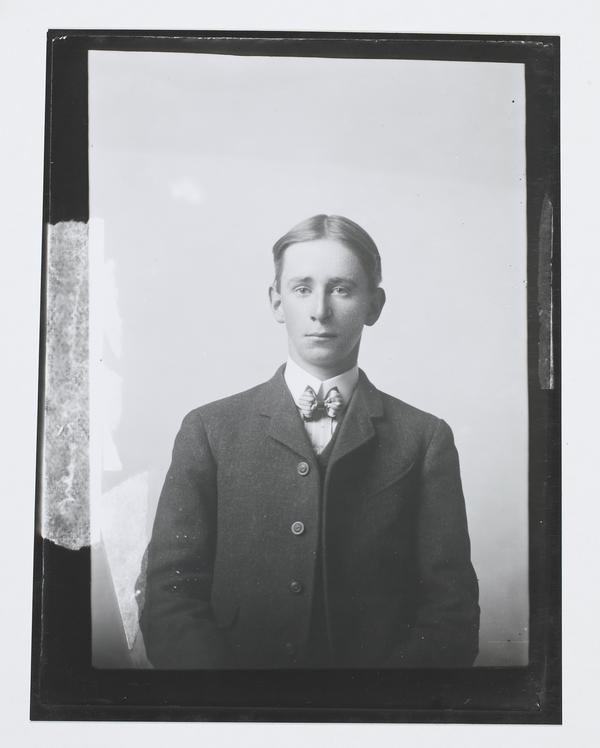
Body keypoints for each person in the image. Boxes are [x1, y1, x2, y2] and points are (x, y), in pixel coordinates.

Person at [139, 214, 479, 669]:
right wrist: (227, 700)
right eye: (302, 288)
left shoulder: (424, 437)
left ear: (374, 305)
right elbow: (170, 596)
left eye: (341, 289)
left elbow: (451, 613)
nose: (320, 310)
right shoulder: (209, 429)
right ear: (276, 302)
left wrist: (382, 704)